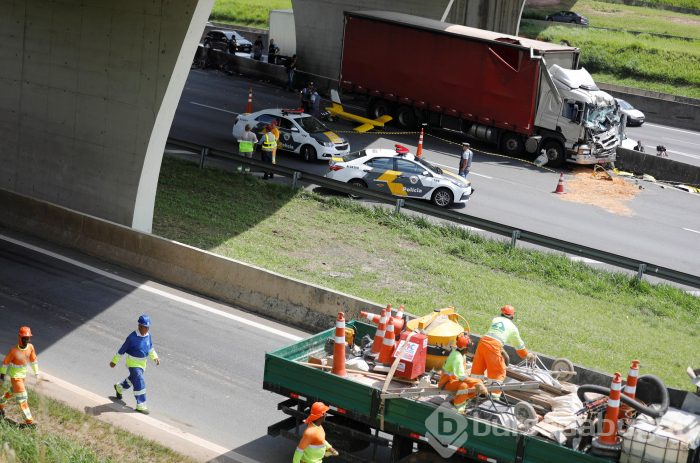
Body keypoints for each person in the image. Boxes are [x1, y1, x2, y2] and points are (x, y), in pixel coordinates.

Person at [471, 305, 535, 390]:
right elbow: (518, 345)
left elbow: (495, 335)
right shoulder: (513, 328)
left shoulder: (495, 319)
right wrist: (527, 355)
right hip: (494, 346)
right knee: (498, 371)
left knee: (478, 367)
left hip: (482, 343)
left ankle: (474, 387)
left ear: (502, 313)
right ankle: (494, 394)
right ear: (513, 315)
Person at [111, 314, 160, 414]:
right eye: (144, 327)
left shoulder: (148, 336)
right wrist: (114, 361)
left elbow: (150, 348)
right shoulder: (131, 338)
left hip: (142, 363)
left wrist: (155, 357)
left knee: (134, 378)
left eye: (147, 328)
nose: (146, 330)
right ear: (139, 326)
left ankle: (119, 387)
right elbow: (122, 350)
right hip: (132, 363)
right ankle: (141, 405)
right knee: (139, 380)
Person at [438, 333, 488, 412]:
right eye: (468, 348)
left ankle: (458, 400)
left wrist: (477, 382)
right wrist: (477, 381)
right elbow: (461, 376)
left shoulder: (459, 354)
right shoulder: (457, 357)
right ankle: (458, 407)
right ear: (465, 349)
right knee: (464, 386)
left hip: (452, 381)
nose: (469, 350)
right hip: (445, 383)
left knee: (473, 386)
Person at [0, 326, 39, 426]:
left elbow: (34, 361)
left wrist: (37, 373)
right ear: (20, 338)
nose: (26, 340)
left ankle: (0, 403)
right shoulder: (13, 351)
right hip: (15, 377)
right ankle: (29, 421)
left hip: (22, 377)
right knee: (23, 397)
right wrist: (2, 376)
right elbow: (5, 363)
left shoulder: (30, 347)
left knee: (12, 392)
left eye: (28, 338)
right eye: (24, 338)